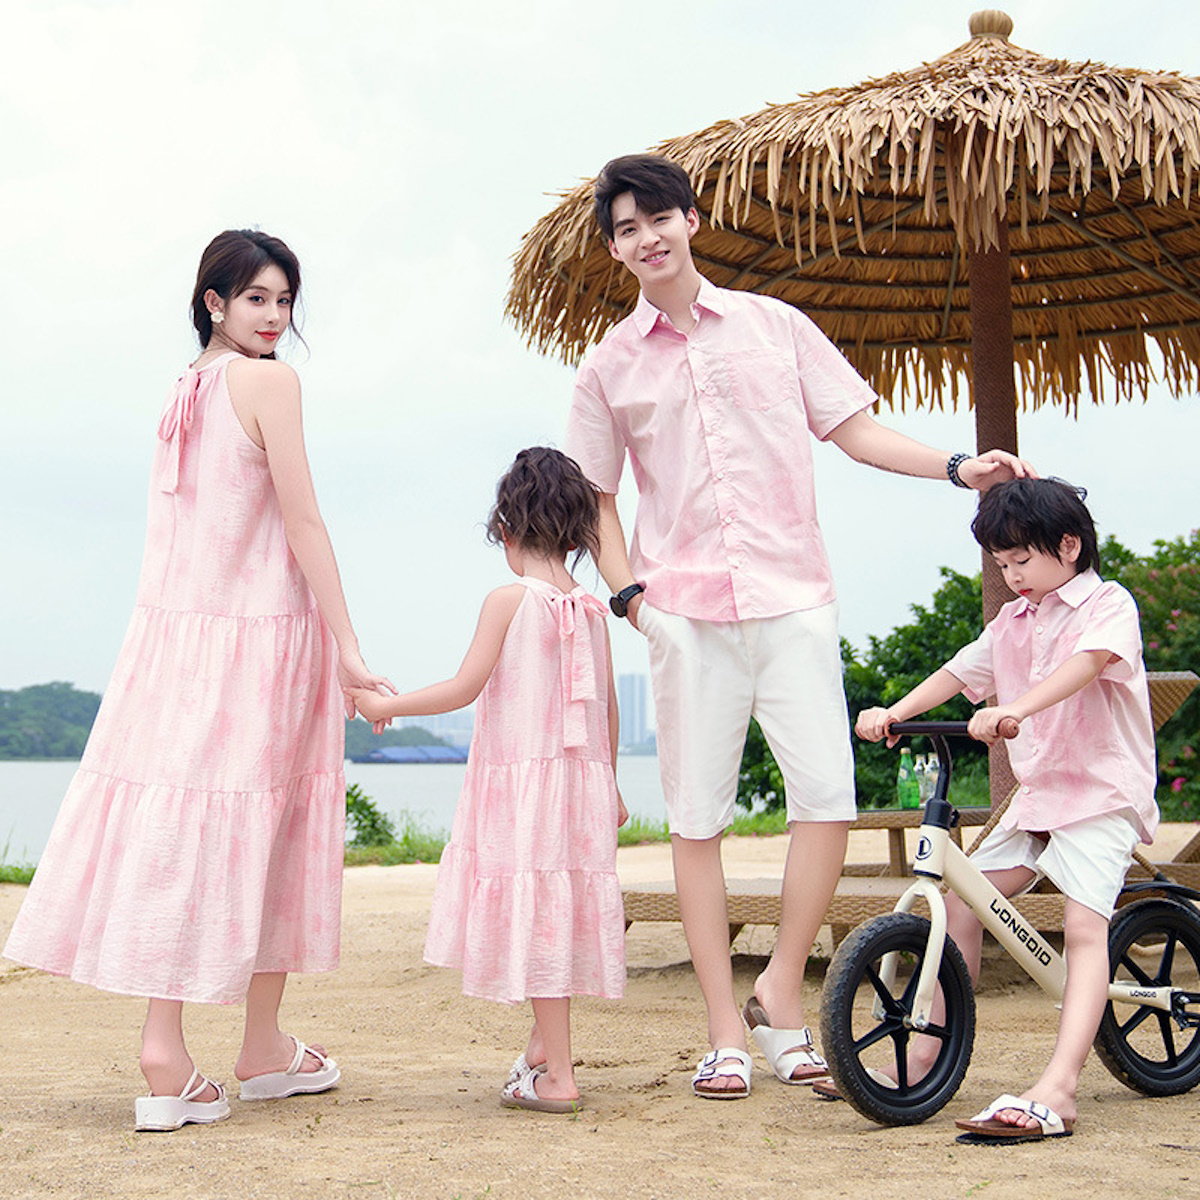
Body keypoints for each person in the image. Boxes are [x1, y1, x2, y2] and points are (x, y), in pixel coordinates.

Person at [565, 152, 1035, 1099]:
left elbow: (854, 429)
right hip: (684, 615)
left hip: (793, 598)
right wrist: (632, 601)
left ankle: (780, 994)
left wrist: (957, 467)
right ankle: (719, 1030)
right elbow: (595, 500)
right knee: (696, 818)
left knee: (826, 800)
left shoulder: (778, 327)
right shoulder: (607, 365)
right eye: (624, 229)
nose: (645, 238)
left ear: (692, 219)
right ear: (616, 250)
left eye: (657, 218)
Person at [3, 230, 393, 1131]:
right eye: (256, 298)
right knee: (261, 833)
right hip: (259, 642)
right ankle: (187, 1055)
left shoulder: (187, 388)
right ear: (213, 302)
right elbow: (303, 521)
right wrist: (349, 645)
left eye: (285, 301)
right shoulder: (269, 382)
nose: (276, 318)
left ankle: (231, 1047)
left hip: (176, 646)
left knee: (196, 828)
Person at [854, 477, 1158, 1143]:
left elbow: (1087, 664)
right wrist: (897, 714)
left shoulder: (1107, 604)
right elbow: (962, 673)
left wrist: (1018, 708)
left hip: (1100, 793)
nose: (1011, 574)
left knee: (1083, 929)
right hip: (1039, 796)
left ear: (1069, 546)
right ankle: (927, 1051)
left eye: (1021, 560)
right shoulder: (1012, 621)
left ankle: (1060, 1087)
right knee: (962, 901)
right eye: (1001, 563)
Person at [350, 447, 628, 1114]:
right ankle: (542, 1045)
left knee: (536, 918)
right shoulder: (592, 609)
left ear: (505, 529)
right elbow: (609, 707)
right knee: (558, 909)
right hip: (579, 786)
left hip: (526, 790)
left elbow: (464, 687)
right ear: (576, 533)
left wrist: (386, 705)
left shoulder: (508, 599)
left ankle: (557, 1073)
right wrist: (611, 784)